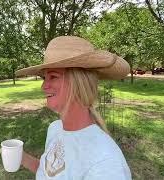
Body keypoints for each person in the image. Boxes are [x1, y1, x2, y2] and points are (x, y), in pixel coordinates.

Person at [13, 36, 132, 179]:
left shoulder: (105, 164)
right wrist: (22, 157)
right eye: (45, 78)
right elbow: (49, 173)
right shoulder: (55, 128)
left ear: (79, 83)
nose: (43, 86)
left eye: (54, 77)